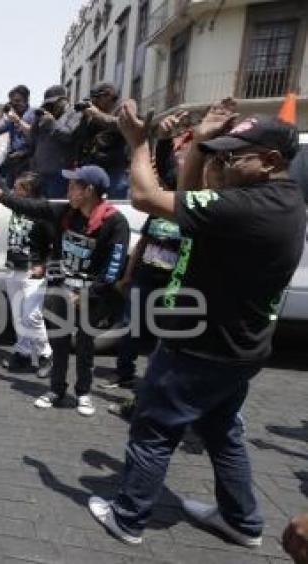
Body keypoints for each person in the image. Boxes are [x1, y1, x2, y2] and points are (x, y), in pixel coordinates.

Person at [87, 101, 305, 547]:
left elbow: (147, 198)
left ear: (271, 161)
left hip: (200, 347)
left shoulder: (247, 207)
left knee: (153, 429)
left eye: (231, 157)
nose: (220, 165)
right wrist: (203, 143)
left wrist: (139, 142)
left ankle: (128, 517)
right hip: (236, 347)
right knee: (221, 432)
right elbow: (185, 202)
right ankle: (241, 521)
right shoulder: (279, 200)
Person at [0, 165, 129, 417]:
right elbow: (32, 207)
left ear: (89, 190)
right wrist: (2, 196)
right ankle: (56, 389)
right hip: (62, 293)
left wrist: (88, 294)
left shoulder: (115, 222)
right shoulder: (66, 213)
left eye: (73, 186)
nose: (68, 190)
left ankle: (83, 393)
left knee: (84, 346)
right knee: (59, 344)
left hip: (90, 298)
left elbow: (113, 268)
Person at [0, 173, 53, 377]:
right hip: (13, 268)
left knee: (32, 316)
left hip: (33, 271)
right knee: (19, 317)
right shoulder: (16, 206)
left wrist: (44, 265)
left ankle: (46, 354)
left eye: (18, 188)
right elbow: (1, 190)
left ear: (29, 191)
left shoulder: (42, 212)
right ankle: (23, 353)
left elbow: (55, 244)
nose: (13, 191)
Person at [74, 82, 129, 199]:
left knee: (116, 203)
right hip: (94, 168)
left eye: (97, 98)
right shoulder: (92, 114)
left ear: (108, 95)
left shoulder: (123, 108)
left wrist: (98, 115)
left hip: (114, 170)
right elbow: (80, 137)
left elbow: (123, 124)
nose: (94, 102)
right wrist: (85, 118)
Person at [30, 85, 81, 199]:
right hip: (41, 173)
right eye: (47, 104)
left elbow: (68, 136)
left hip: (60, 175)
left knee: (55, 209)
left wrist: (52, 123)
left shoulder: (74, 113)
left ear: (64, 100)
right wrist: (36, 120)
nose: (50, 107)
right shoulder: (47, 117)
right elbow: (32, 138)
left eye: (53, 103)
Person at [0, 85, 37, 189]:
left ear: (26, 99)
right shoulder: (11, 118)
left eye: (18, 101)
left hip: (27, 162)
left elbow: (34, 135)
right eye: (12, 102)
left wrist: (18, 121)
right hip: (13, 162)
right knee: (10, 195)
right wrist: (0, 114)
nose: (15, 105)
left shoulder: (34, 114)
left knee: (25, 194)